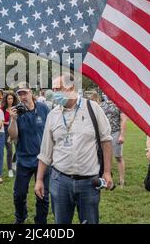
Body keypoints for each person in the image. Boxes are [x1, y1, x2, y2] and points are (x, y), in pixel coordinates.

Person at [35, 74, 113, 224]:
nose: (53, 92)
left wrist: (107, 172)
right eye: (52, 89)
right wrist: (39, 179)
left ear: (71, 88)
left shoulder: (93, 108)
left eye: (58, 89)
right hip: (60, 181)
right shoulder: (53, 115)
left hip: (89, 182)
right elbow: (45, 152)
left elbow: (106, 141)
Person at [8, 82, 50, 224]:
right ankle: (20, 218)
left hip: (42, 160)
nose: (23, 97)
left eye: (25, 93)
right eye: (20, 94)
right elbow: (13, 136)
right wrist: (13, 120)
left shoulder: (43, 108)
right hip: (24, 159)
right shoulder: (17, 112)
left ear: (31, 92)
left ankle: (41, 221)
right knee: (19, 194)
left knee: (43, 195)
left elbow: (51, 130)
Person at [98, 94, 128, 188]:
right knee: (102, 157)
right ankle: (105, 179)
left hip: (115, 133)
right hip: (103, 134)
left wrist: (122, 135)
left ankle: (121, 180)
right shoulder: (101, 105)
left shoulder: (120, 105)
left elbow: (123, 120)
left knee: (118, 157)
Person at [2, 92, 18, 178]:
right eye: (9, 99)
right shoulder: (3, 109)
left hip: (14, 130)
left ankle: (14, 162)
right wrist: (7, 122)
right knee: (9, 150)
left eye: (12, 98)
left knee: (17, 149)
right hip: (5, 130)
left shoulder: (16, 108)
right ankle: (10, 169)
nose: (10, 100)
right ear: (6, 100)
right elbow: (0, 120)